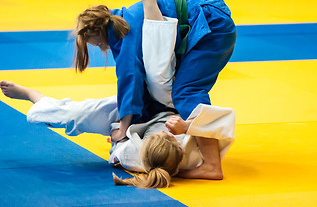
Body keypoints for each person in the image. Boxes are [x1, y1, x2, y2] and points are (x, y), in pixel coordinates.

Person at [75, 0, 237, 144]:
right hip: (206, 18)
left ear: (102, 33)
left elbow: (129, 80)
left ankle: (210, 161)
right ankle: (182, 128)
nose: (102, 49)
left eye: (99, 44)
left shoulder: (125, 37)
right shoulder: (125, 21)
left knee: (185, 91)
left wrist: (123, 127)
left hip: (210, 23)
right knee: (160, 86)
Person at [0, 80, 235, 188]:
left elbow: (115, 139)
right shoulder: (193, 154)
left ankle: (33, 96)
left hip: (125, 125)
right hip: (165, 105)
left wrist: (119, 132)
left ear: (145, 145)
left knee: (75, 115)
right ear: (179, 146)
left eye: (160, 136)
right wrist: (187, 127)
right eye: (170, 136)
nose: (167, 133)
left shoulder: (135, 155)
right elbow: (219, 119)